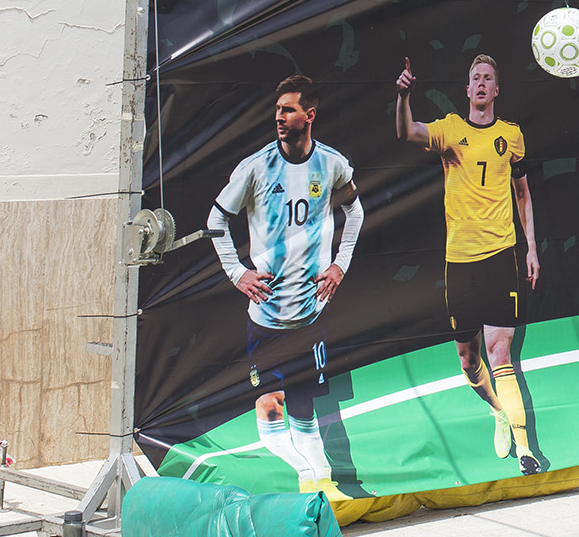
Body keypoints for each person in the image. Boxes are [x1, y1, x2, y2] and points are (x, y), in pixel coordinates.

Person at [206, 75, 364, 500]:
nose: (279, 116)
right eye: (277, 109)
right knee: (270, 406)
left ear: (309, 115)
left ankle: (319, 483)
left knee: (305, 410)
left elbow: (355, 212)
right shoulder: (255, 167)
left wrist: (340, 265)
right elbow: (216, 220)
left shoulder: (331, 164)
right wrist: (237, 273)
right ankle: (308, 475)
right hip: (266, 317)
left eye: (288, 109)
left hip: (309, 315)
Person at [395, 54, 546, 475]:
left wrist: (531, 247)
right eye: (475, 78)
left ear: (496, 89)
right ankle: (498, 410)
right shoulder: (449, 130)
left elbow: (523, 194)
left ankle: (525, 448)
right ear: (467, 90)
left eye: (487, 78)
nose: (481, 83)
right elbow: (407, 131)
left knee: (502, 354)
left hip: (501, 255)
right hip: (460, 260)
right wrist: (403, 97)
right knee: (468, 359)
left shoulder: (511, 135)